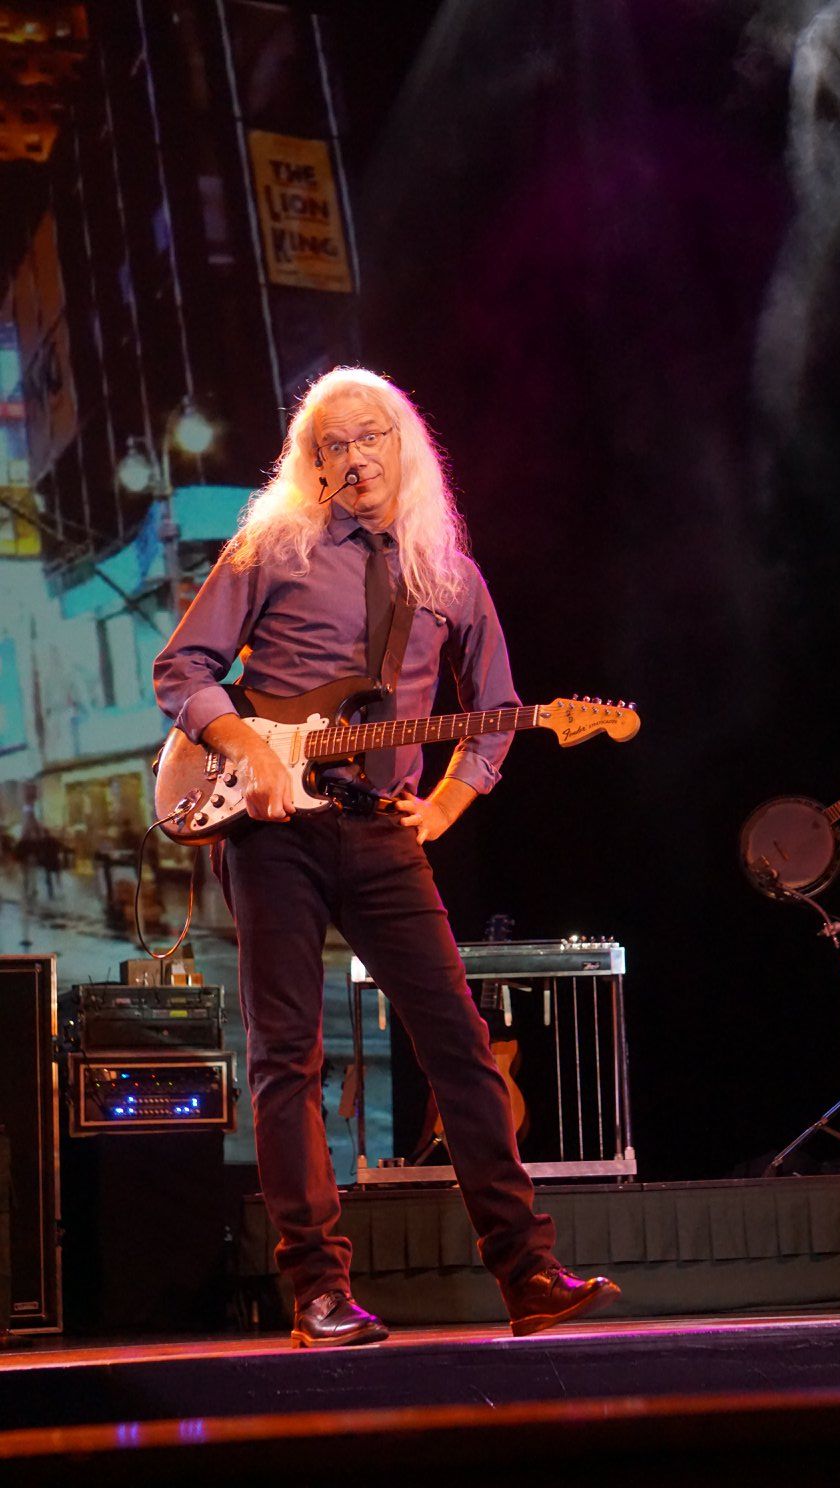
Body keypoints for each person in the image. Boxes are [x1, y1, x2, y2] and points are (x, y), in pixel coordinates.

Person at [153, 366, 620, 1346]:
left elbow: (495, 707)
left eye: (370, 436)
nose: (355, 456)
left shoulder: (446, 572)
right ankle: (318, 1292)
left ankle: (527, 1272)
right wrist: (247, 751)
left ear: (403, 445)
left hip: (379, 828)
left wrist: (446, 805)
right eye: (333, 444)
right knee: (287, 1057)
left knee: (460, 1044)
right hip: (269, 830)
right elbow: (183, 669)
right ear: (312, 465)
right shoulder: (270, 547)